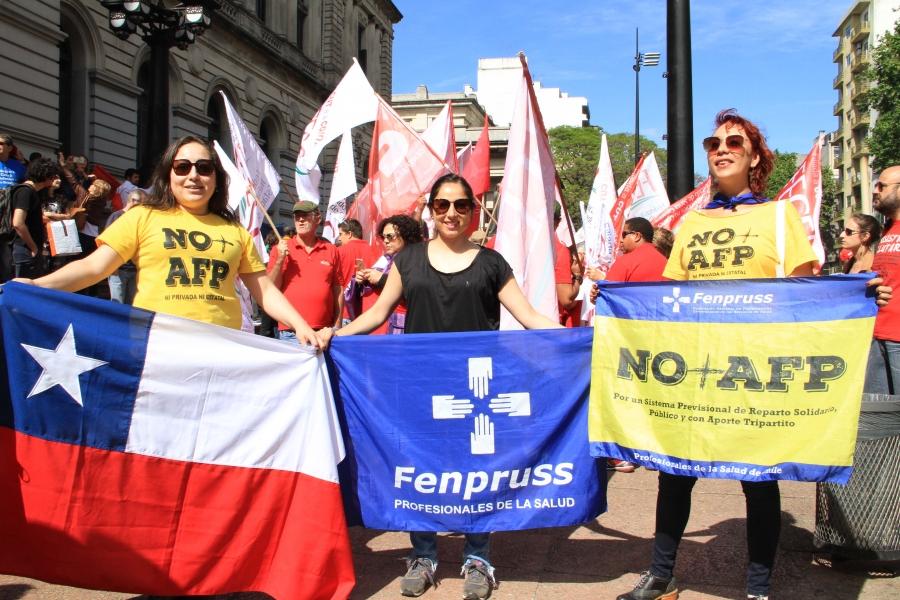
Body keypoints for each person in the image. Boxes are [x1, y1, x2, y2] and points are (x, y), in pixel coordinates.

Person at [616, 109, 886, 600]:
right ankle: (662, 575)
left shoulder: (780, 216)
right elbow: (671, 297)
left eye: (734, 142)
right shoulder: (693, 221)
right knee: (675, 473)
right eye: (713, 142)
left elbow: (806, 290)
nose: (721, 149)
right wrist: (618, 304)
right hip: (696, 367)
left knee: (759, 479)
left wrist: (859, 294)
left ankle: (758, 588)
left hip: (755, 370)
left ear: (756, 156)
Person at [319, 173, 562, 600]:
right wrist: (334, 334)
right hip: (420, 384)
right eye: (442, 205)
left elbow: (529, 318)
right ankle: (424, 555)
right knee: (418, 466)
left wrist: (579, 338)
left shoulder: (492, 263)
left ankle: (478, 558)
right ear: (431, 210)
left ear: (473, 210)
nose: (451, 213)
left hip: (479, 388)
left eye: (461, 205)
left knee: (479, 472)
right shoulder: (408, 259)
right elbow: (376, 316)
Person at [13, 135, 320, 347]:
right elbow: (94, 268)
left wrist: (300, 325)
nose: (193, 176)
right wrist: (37, 286)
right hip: (156, 347)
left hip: (223, 350)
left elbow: (264, 290)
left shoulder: (235, 230)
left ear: (216, 177)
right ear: (168, 175)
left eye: (204, 168)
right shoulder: (141, 217)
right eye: (182, 167)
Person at [814, 166, 900, 563]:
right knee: (875, 431)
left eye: (882, 184)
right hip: (877, 340)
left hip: (895, 342)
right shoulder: (890, 232)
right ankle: (874, 528)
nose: (875, 189)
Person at [590, 216, 669, 474]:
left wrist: (597, 293)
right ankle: (654, 453)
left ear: (637, 235)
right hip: (663, 343)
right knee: (655, 398)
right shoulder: (667, 263)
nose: (621, 240)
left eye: (624, 234)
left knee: (623, 396)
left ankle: (621, 456)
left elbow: (608, 301)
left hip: (628, 343)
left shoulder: (626, 262)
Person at [266, 201, 343, 341]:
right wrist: (280, 260)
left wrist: (336, 326)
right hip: (290, 331)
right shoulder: (280, 248)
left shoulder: (331, 250)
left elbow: (338, 290)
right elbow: (270, 288)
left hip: (324, 330)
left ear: (317, 219)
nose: (300, 220)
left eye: (305, 215)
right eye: (297, 216)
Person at [355, 215, 423, 334]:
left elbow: (415, 291)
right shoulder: (385, 259)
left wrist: (381, 279)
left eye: (390, 236)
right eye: (383, 236)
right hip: (375, 329)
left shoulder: (415, 259)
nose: (385, 241)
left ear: (406, 236)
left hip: (396, 328)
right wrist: (362, 279)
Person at [58, 152, 110, 296]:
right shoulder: (101, 201)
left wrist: (63, 165)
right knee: (88, 266)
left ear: (95, 189)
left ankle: (72, 293)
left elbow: (73, 183)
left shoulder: (86, 196)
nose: (90, 186)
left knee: (74, 264)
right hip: (93, 236)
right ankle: (91, 294)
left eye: (93, 185)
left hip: (80, 234)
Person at [10, 158, 59, 279]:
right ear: (46, 175)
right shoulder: (26, 192)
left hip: (28, 249)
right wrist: (33, 248)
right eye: (53, 175)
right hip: (24, 249)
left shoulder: (32, 192)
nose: (55, 178)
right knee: (23, 288)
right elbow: (18, 222)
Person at [105, 189, 146, 304]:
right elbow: (108, 242)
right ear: (133, 200)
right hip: (119, 270)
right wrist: (112, 267)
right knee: (117, 305)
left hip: (135, 269)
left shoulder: (139, 219)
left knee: (131, 306)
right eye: (143, 204)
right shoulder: (117, 216)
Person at [336, 218, 376, 326]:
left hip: (345, 312)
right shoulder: (375, 252)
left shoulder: (339, 251)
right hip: (368, 313)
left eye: (340, 234)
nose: (339, 238)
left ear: (349, 234)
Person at [553, 205, 584, 328]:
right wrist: (577, 276)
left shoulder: (499, 241)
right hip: (545, 326)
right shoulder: (558, 250)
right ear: (559, 222)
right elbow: (566, 300)